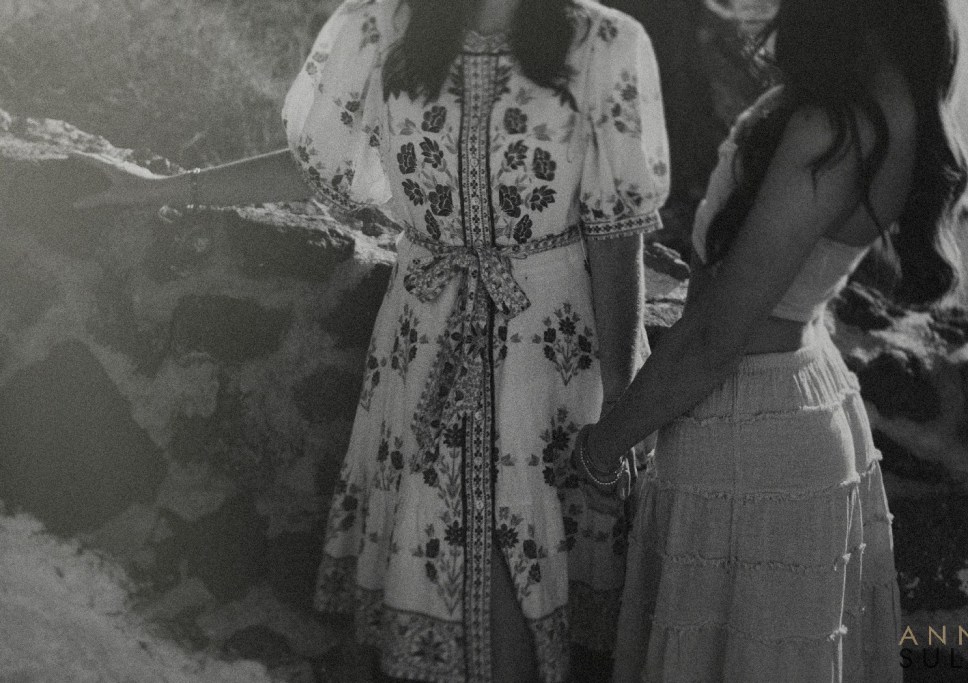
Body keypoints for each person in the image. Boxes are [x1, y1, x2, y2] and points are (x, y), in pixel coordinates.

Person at [74, 0, 669, 680]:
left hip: (552, 354)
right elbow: (321, 170)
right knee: (447, 566)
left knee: (527, 578)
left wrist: (623, 401)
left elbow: (618, 234)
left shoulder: (604, 44)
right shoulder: (382, 29)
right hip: (424, 338)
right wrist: (164, 188)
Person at [571, 0, 968, 680]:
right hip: (805, 393)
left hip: (752, 432)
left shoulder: (834, 127)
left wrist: (603, 448)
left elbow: (716, 335)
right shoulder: (901, 107)